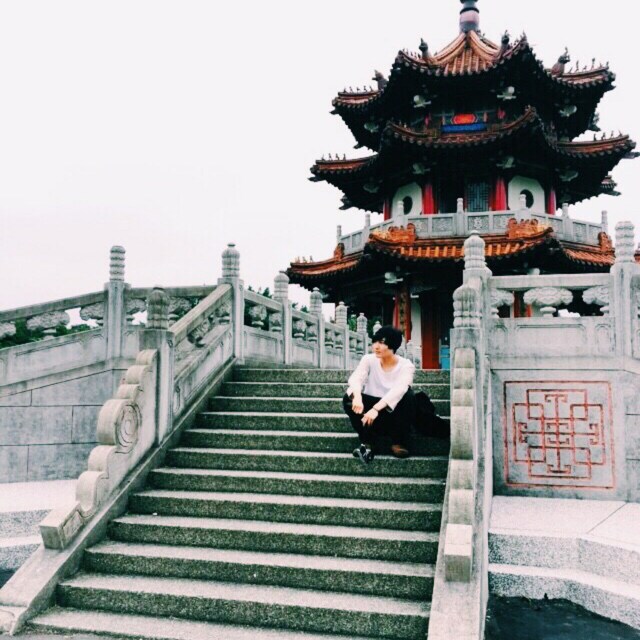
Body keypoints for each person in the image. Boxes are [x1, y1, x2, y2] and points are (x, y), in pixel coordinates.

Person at [343, 325, 416, 464]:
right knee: (349, 396)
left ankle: (398, 442)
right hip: (370, 417)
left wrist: (376, 409)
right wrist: (357, 396)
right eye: (375, 342)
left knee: (409, 395)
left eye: (382, 343)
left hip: (393, 415)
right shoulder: (368, 359)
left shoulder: (406, 365)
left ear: (393, 345)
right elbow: (356, 378)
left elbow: (400, 389)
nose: (376, 346)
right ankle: (367, 441)